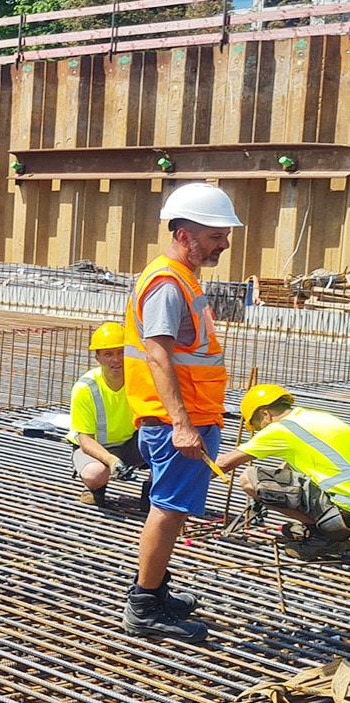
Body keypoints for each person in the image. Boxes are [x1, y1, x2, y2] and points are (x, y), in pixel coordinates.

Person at [122, 182, 243, 643]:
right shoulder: (168, 283)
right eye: (216, 235)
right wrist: (183, 423)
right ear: (184, 234)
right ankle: (145, 605)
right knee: (169, 510)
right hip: (177, 421)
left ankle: (154, 589)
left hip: (193, 416)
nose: (224, 244)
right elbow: (158, 357)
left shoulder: (182, 279)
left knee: (173, 510)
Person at [217, 385, 350, 559]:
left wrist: (178, 483)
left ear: (265, 413)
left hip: (344, 504)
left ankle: (324, 535)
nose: (259, 432)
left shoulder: (279, 429)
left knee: (249, 478)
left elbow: (223, 464)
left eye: (257, 426)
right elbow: (296, 460)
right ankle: (332, 526)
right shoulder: (316, 417)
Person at [68, 322, 149, 509]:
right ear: (97, 358)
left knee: (167, 445)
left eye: (121, 352)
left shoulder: (140, 381)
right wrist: (111, 460)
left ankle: (152, 491)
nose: (116, 359)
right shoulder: (86, 388)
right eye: (108, 354)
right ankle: (96, 488)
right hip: (95, 448)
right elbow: (85, 440)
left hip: (129, 443)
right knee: (95, 474)